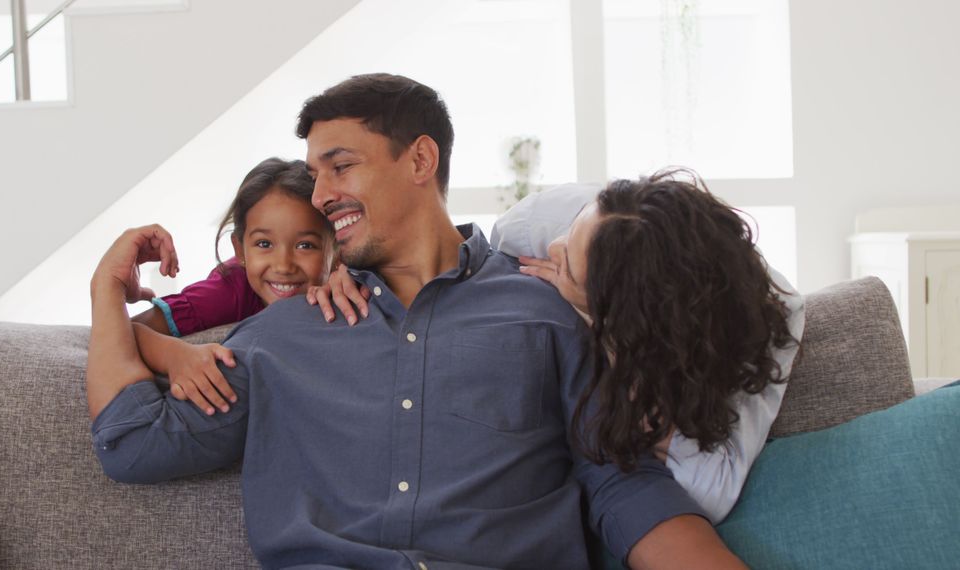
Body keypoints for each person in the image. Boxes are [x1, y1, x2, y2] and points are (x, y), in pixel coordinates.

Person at [86, 74, 743, 569]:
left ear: (420, 161)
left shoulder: (543, 312)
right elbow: (135, 442)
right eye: (315, 175)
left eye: (341, 166)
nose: (320, 196)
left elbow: (623, 488)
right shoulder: (286, 332)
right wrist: (107, 292)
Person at [512, 172, 804, 524]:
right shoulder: (534, 225)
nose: (554, 248)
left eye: (571, 272)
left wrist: (605, 334)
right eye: (573, 229)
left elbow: (711, 491)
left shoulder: (771, 318)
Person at [119, 158, 335, 417]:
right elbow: (127, 330)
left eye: (305, 246)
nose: (283, 265)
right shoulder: (230, 289)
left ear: (336, 250)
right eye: (264, 244)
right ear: (239, 250)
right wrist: (172, 355)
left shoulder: (344, 283)